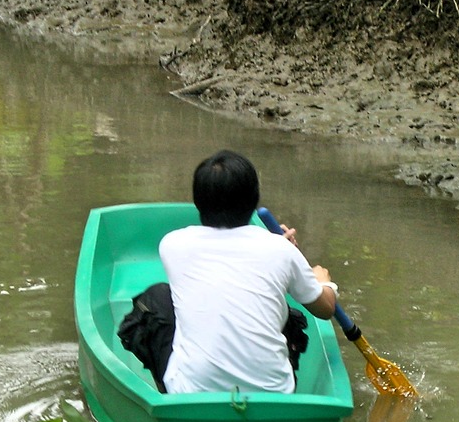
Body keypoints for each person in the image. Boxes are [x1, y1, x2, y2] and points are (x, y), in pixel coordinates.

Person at [118, 150, 337, 394]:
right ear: (254, 199)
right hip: (275, 393)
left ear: (198, 201)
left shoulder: (173, 244)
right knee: (283, 310)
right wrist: (324, 283)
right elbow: (326, 309)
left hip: (191, 394)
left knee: (158, 298)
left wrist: (279, 248)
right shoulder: (280, 250)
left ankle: (170, 399)